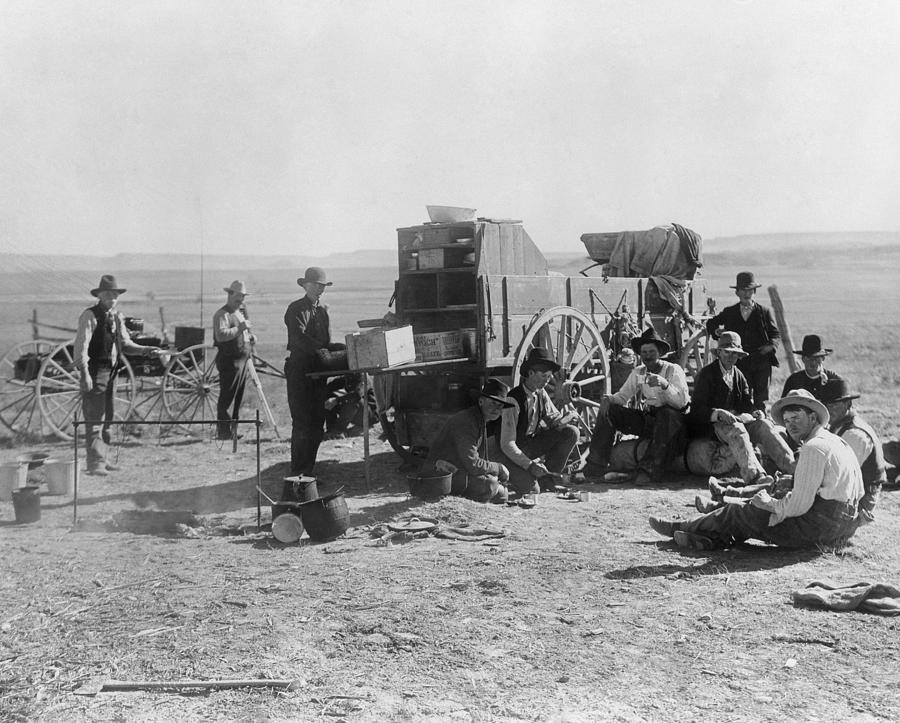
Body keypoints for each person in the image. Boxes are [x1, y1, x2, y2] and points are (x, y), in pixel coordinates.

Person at [650, 389, 864, 550]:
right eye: (788, 421)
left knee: (744, 511)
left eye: (796, 418)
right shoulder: (836, 442)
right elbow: (859, 493)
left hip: (817, 528)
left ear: (813, 418)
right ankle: (712, 538)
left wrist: (767, 503)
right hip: (842, 526)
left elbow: (797, 507)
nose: (791, 426)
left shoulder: (813, 448)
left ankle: (682, 526)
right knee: (755, 510)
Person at [74, 275, 163, 475]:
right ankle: (95, 463)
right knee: (94, 418)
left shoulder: (117, 316)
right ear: (99, 295)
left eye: (115, 295)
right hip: (96, 372)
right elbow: (81, 347)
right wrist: (85, 374)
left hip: (112, 372)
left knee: (108, 419)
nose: (112, 298)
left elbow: (125, 345)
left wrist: (146, 350)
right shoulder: (89, 316)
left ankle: (103, 459)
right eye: (107, 294)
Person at [583, 327, 689, 485]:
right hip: (652, 422)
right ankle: (595, 465)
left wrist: (664, 384)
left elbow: (682, 402)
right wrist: (609, 400)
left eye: (652, 352)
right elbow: (623, 396)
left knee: (667, 413)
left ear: (660, 352)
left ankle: (649, 469)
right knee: (610, 410)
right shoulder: (639, 372)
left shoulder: (673, 370)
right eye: (644, 353)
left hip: (674, 425)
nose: (648, 356)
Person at [687, 331, 794, 486]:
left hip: (735, 422)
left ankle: (791, 467)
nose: (731, 357)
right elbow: (696, 410)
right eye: (727, 352)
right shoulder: (706, 375)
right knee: (737, 429)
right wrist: (718, 413)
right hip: (711, 427)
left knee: (764, 426)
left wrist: (754, 412)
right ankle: (755, 476)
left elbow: (746, 403)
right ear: (719, 353)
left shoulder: (738, 375)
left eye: (735, 354)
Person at [497, 348, 580, 495]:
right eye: (543, 376)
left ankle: (549, 479)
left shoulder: (541, 393)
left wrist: (566, 418)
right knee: (532, 490)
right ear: (530, 373)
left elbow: (553, 418)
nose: (547, 380)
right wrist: (530, 466)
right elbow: (507, 444)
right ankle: (530, 478)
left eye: (549, 376)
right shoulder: (513, 400)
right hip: (512, 452)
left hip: (530, 445)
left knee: (571, 432)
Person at [420, 378, 512, 503]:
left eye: (500, 406)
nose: (496, 409)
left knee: (501, 493)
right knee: (489, 485)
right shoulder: (467, 422)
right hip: (438, 475)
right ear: (481, 401)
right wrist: (499, 468)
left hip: (457, 471)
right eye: (492, 403)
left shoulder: (479, 419)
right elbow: (473, 464)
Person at [284, 267, 333, 476]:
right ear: (305, 285)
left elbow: (326, 341)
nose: (319, 290)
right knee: (302, 423)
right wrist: (322, 350)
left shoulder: (323, 311)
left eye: (322, 286)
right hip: (300, 372)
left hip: (318, 373)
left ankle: (307, 473)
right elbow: (299, 338)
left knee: (317, 424)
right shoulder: (296, 308)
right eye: (315, 285)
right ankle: (298, 474)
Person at [706, 271, 780, 410]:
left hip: (760, 360)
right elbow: (711, 324)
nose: (747, 294)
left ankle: (760, 423)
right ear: (737, 293)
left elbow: (775, 334)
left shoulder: (764, 311)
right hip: (738, 360)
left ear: (754, 292)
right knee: (740, 395)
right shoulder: (730, 312)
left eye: (750, 290)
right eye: (743, 290)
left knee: (761, 398)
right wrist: (718, 334)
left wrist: (770, 346)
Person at [820, 378, 886, 521]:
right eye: (826, 405)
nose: (828, 409)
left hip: (863, 500)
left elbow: (840, 476)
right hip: (851, 490)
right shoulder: (838, 425)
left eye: (833, 405)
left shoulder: (855, 435)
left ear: (848, 404)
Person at [212, 280, 254, 441]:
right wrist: (241, 329)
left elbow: (242, 334)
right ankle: (224, 432)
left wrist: (250, 337)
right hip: (230, 360)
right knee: (227, 397)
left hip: (241, 360)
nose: (241, 300)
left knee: (237, 397)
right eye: (238, 296)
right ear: (230, 294)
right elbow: (221, 335)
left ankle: (232, 430)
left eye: (243, 297)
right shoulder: (222, 314)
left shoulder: (239, 312)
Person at [782, 334, 842, 400]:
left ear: (823, 358)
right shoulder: (793, 381)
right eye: (809, 358)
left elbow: (844, 404)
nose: (813, 362)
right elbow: (783, 405)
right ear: (803, 359)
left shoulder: (834, 380)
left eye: (816, 358)